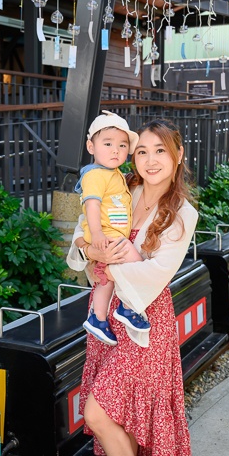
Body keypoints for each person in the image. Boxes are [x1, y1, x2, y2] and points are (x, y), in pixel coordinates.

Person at [67, 119, 197, 456]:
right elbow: (85, 237)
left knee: (99, 412)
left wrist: (121, 255)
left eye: (160, 150)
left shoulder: (181, 212)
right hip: (105, 317)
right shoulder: (123, 187)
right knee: (118, 411)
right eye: (142, 151)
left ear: (177, 156)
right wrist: (91, 249)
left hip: (144, 320)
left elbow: (156, 273)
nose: (150, 159)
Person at [76, 111, 150, 347]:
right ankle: (127, 307)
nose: (115, 150)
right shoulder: (95, 174)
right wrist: (97, 233)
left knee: (105, 280)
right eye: (107, 144)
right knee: (137, 264)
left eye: (121, 145)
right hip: (106, 235)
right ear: (91, 146)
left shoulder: (114, 174)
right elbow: (92, 203)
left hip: (108, 235)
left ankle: (98, 318)